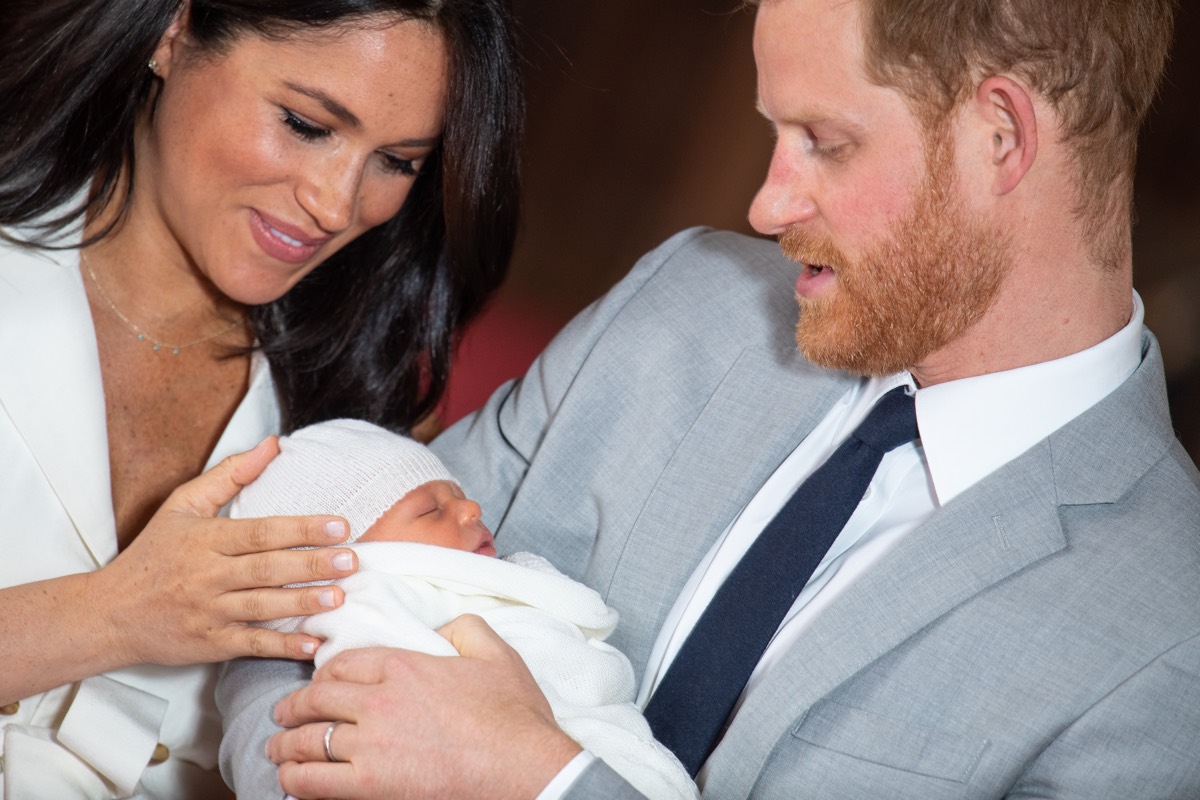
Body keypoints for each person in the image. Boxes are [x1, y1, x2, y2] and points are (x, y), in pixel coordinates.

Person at [223, 0, 1200, 797]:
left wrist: (546, 781)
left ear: (1002, 135)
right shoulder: (687, 300)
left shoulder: (1171, 642)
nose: (767, 206)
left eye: (825, 140)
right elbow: (301, 595)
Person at [0, 0, 522, 795]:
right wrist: (112, 614)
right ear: (174, 33)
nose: (337, 203)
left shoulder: (367, 408)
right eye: (308, 124)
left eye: (398, 162)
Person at [219, 418, 698, 800]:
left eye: (459, 494)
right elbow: (395, 697)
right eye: (431, 509)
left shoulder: (496, 580)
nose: (471, 508)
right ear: (342, 562)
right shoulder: (367, 600)